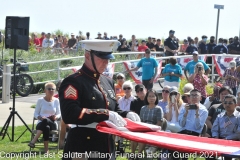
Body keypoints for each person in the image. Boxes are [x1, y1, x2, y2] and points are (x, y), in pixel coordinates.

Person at [59, 40, 140, 160]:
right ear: (87, 56)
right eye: (101, 58)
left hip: (106, 146)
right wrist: (105, 114)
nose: (106, 62)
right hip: (82, 147)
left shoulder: (108, 81)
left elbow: (113, 110)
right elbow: (70, 114)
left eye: (108, 58)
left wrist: (127, 114)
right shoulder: (73, 82)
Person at [170, 89, 208, 160]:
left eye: (196, 95)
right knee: (170, 146)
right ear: (189, 98)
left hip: (194, 134)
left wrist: (197, 113)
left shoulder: (204, 110)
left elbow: (197, 127)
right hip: (183, 132)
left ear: (200, 98)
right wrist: (186, 113)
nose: (193, 97)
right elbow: (181, 124)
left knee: (185, 152)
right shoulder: (185, 108)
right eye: (192, 95)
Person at [28, 82, 61, 154]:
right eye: (49, 89)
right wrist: (39, 117)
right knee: (46, 127)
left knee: (46, 121)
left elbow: (59, 113)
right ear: (45, 90)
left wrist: (56, 116)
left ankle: (33, 141)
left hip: (53, 123)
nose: (51, 90)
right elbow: (36, 113)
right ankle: (46, 150)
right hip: (41, 122)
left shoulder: (56, 100)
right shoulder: (40, 100)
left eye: (53, 89)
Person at [132, 89, 163, 156]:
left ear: (156, 98)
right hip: (143, 128)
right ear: (147, 98)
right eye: (149, 96)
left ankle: (138, 155)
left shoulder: (158, 109)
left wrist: (150, 129)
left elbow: (159, 123)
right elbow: (141, 121)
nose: (151, 98)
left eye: (153, 96)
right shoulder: (143, 108)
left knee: (143, 138)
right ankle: (132, 155)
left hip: (153, 130)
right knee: (134, 137)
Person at [211, 94, 240, 160]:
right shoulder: (219, 116)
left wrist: (226, 139)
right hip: (219, 141)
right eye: (225, 103)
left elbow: (239, 133)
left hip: (234, 142)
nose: (227, 104)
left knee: (227, 156)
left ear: (235, 105)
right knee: (209, 154)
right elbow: (214, 130)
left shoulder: (239, 117)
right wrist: (216, 138)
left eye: (230, 103)